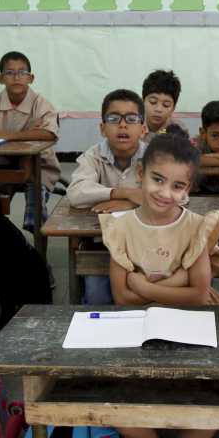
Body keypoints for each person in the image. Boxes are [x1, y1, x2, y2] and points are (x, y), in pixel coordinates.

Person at [100, 133, 219, 438]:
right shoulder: (120, 227)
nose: (165, 193)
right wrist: (176, 284)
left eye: (177, 185)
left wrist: (146, 286)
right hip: (133, 331)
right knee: (119, 414)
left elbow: (200, 294)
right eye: (157, 179)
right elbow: (121, 297)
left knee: (214, 410)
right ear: (140, 174)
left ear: (188, 189)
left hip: (188, 331)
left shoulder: (195, 227)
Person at [68, 88, 150, 303]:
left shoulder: (155, 155)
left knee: (144, 295)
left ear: (143, 129)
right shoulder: (93, 155)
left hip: (145, 243)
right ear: (103, 128)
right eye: (114, 118)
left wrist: (128, 204)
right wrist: (123, 193)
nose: (122, 125)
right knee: (97, 296)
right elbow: (76, 193)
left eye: (131, 119)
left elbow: (176, 196)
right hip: (101, 244)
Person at [0, 50, 61, 230]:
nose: (16, 77)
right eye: (9, 73)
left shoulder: (41, 103)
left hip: (39, 167)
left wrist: (5, 134)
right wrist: (30, 132)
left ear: (31, 78)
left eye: (22, 72)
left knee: (34, 214)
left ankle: (39, 250)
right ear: (0, 78)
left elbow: (49, 134)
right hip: (4, 165)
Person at [141, 68, 183, 139]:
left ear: (173, 108)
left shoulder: (178, 129)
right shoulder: (133, 124)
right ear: (142, 102)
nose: (158, 109)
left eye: (166, 105)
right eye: (153, 102)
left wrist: (162, 131)